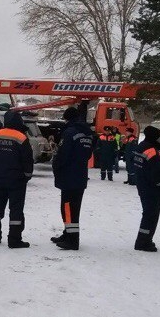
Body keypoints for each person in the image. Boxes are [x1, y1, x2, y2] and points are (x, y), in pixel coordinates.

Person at [0, 110, 34, 248]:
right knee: (16, 210)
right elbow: (27, 160)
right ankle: (14, 239)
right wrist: (27, 176)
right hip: (17, 180)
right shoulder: (21, 137)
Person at [51, 107, 94, 250]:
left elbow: (63, 154)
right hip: (80, 175)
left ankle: (72, 239)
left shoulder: (69, 132)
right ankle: (67, 233)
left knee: (68, 208)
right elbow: (88, 155)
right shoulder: (88, 133)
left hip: (69, 175)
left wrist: (56, 165)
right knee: (74, 207)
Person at [131, 126, 160, 252]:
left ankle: (143, 240)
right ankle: (144, 241)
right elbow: (156, 174)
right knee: (151, 216)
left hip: (142, 185)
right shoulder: (152, 151)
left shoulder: (141, 146)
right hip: (152, 189)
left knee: (147, 214)